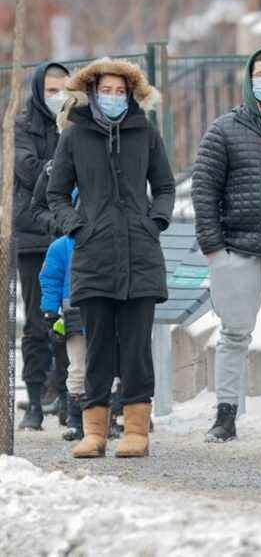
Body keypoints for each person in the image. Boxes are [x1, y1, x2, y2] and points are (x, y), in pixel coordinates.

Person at [48, 58, 175, 459]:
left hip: (140, 252)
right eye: (107, 90)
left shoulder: (147, 133)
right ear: (92, 92)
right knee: (98, 344)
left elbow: (166, 185)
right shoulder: (74, 136)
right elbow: (55, 193)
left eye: (121, 92)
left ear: (131, 95)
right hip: (93, 254)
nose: (114, 97)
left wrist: (155, 220)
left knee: (136, 346)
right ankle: (95, 431)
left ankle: (136, 428)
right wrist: (77, 226)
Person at [191, 48, 261, 442]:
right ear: (249, 78)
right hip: (238, 250)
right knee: (234, 334)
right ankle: (225, 413)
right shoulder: (224, 130)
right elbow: (204, 190)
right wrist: (214, 249)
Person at [14, 61, 70, 431]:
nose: (57, 97)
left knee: (71, 321)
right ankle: (35, 398)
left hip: (68, 234)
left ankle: (68, 394)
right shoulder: (21, 126)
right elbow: (30, 171)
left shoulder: (76, 123)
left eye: (63, 90)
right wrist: (62, 166)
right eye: (51, 90)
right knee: (37, 321)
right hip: (35, 237)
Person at [38, 191, 86, 441]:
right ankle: (76, 420)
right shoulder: (61, 247)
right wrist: (50, 312)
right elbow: (50, 279)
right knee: (77, 367)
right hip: (73, 318)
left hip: (100, 318)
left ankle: (102, 418)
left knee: (104, 369)